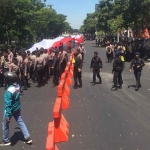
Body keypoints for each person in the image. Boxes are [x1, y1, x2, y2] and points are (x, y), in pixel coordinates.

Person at [0, 72, 32, 146]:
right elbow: (17, 99)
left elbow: (8, 104)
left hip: (10, 110)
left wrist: (8, 115)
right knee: (20, 122)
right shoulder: (17, 86)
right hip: (16, 108)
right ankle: (28, 137)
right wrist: (19, 107)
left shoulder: (9, 91)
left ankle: (6, 140)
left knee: (5, 125)